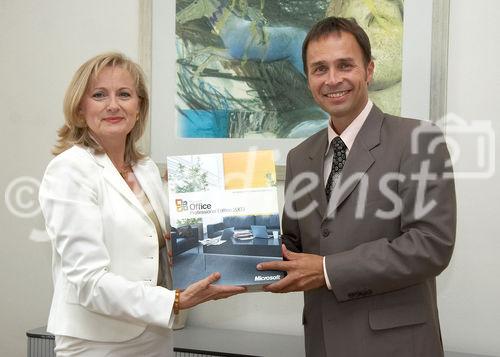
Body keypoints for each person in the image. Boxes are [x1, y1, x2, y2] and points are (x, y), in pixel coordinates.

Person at [257, 17, 456, 357]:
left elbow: (429, 246)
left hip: (396, 346)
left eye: (344, 65)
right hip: (322, 341)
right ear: (308, 79)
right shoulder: (299, 157)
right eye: (319, 69)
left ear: (369, 70)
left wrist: (325, 270)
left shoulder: (418, 141)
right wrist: (210, 244)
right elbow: (293, 246)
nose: (332, 79)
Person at [38, 52, 245, 356]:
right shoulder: (70, 170)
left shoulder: (145, 168)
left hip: (154, 335)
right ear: (80, 110)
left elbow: (159, 247)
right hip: (97, 342)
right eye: (99, 95)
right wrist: (173, 301)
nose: (113, 105)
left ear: (138, 108)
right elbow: (88, 280)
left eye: (124, 94)